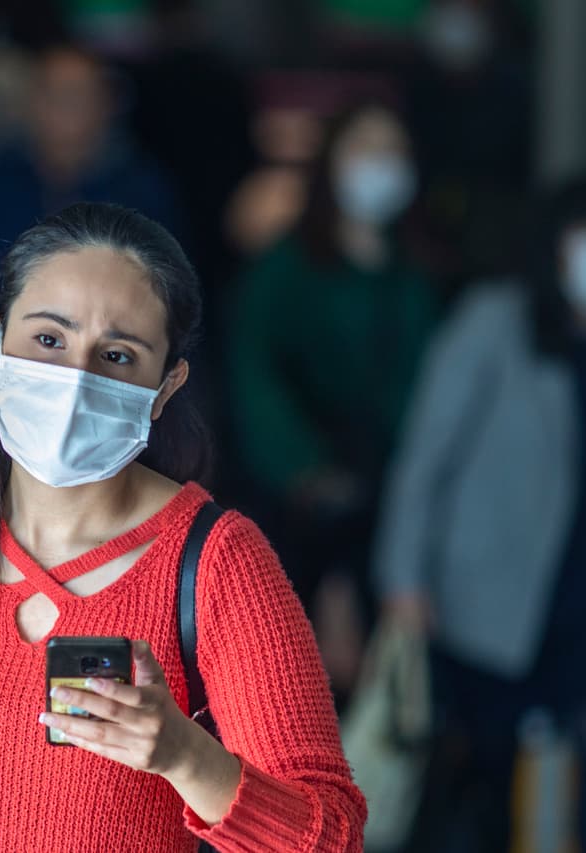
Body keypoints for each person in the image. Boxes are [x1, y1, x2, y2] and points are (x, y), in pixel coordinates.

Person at [0, 203, 365, 852]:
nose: (75, 381)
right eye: (49, 339)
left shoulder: (216, 566)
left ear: (165, 387)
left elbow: (329, 836)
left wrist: (185, 755)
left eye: (117, 355)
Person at [374, 175, 586, 853]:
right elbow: (427, 456)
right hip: (493, 599)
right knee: (487, 780)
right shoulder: (495, 321)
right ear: (554, 247)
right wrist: (403, 576)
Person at [226, 102, 439, 692]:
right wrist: (307, 470)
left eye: (394, 152)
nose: (382, 167)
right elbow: (255, 377)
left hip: (397, 500)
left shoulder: (420, 271)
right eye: (366, 150)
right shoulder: (285, 266)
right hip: (299, 504)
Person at [0, 42, 180, 452]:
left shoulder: (138, 185)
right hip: (0, 347)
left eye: (78, 96)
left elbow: (172, 282)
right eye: (53, 95)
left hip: (100, 352)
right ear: (32, 104)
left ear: (106, 104)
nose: (65, 109)